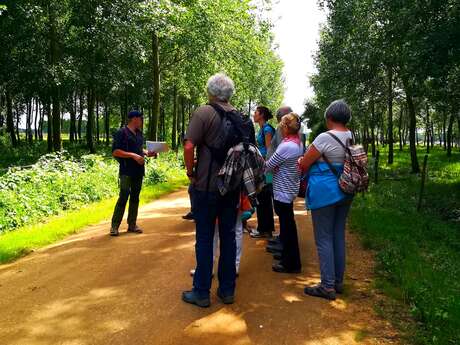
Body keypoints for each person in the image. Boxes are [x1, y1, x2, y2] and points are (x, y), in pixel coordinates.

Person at [182, 73, 241, 308]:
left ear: (211, 92)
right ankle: (227, 291)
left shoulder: (204, 113)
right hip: (232, 187)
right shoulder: (239, 116)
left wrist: (190, 171)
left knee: (205, 238)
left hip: (206, 187)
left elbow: (189, 145)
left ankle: (201, 292)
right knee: (228, 237)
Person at [298, 99, 354, 301]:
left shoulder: (324, 137)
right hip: (346, 190)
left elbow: (304, 163)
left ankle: (327, 286)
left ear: (329, 118)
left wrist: (301, 161)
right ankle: (338, 282)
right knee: (338, 234)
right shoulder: (350, 135)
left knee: (323, 238)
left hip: (325, 192)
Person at [265, 113, 303, 273]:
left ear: (287, 127)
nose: (280, 128)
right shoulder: (297, 143)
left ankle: (291, 263)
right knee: (288, 226)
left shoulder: (287, 146)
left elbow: (269, 165)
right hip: (289, 187)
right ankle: (288, 257)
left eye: (282, 126)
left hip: (283, 190)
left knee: (288, 227)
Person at [110, 110, 157, 236]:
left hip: (138, 171)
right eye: (141, 119)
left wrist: (147, 153)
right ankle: (114, 226)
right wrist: (133, 156)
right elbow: (115, 151)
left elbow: (138, 149)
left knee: (135, 197)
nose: (142, 121)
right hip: (126, 171)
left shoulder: (139, 133)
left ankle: (132, 224)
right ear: (134, 119)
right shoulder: (121, 133)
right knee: (123, 196)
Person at [250, 106, 276, 239]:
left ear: (261, 115)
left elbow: (269, 151)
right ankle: (265, 229)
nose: (253, 114)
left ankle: (265, 230)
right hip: (263, 168)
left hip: (266, 169)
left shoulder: (266, 129)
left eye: (255, 112)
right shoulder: (263, 129)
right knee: (263, 197)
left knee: (264, 196)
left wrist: (265, 171)